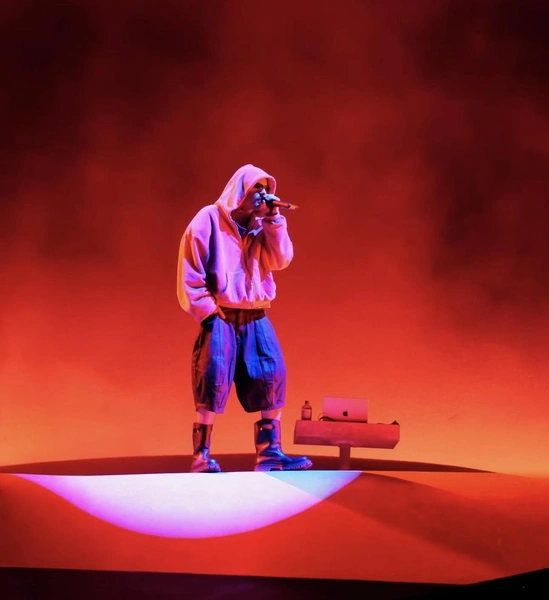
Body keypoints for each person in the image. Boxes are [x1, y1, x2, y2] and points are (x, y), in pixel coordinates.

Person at [177, 163, 312, 473]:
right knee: (213, 377)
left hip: (255, 312)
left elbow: (281, 260)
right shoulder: (208, 218)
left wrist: (273, 221)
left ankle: (270, 453)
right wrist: (207, 311)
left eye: (267, 189)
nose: (263, 194)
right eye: (257, 188)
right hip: (221, 313)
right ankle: (201, 455)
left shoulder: (261, 225)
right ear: (241, 188)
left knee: (271, 373)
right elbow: (190, 267)